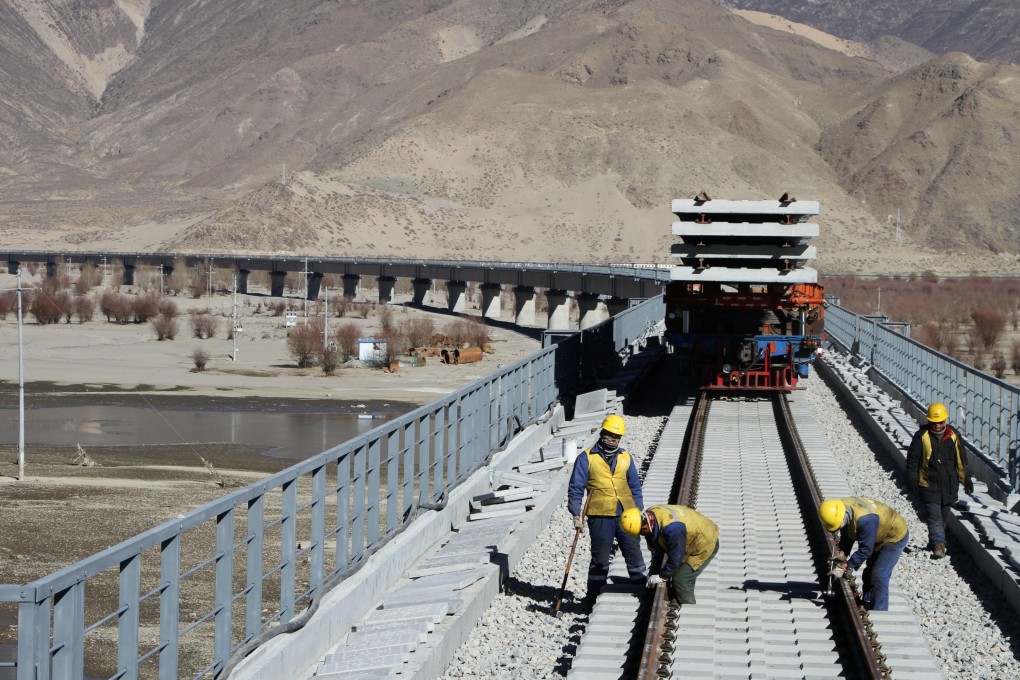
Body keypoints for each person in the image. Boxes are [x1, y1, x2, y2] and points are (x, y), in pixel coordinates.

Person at [567, 414, 647, 602]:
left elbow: (635, 485)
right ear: (602, 433)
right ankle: (593, 598)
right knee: (600, 559)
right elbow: (576, 488)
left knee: (633, 552)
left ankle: (642, 591)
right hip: (600, 515)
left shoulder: (625, 457)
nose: (614, 439)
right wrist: (576, 514)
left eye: (617, 437)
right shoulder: (586, 458)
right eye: (611, 435)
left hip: (627, 514)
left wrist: (638, 509)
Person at [905, 402, 973, 559]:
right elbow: (913, 462)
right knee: (934, 515)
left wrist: (967, 479)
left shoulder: (953, 437)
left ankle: (934, 540)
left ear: (945, 421)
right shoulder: (921, 437)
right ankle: (939, 546)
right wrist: (913, 482)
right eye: (934, 422)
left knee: (944, 516)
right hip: (929, 485)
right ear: (929, 421)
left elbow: (962, 461)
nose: (937, 425)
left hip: (949, 486)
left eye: (940, 422)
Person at [819, 497, 908, 611]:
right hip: (878, 531)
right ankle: (867, 603)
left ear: (843, 517)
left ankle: (880, 611)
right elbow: (848, 534)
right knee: (868, 573)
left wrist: (845, 565)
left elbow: (866, 550)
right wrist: (842, 554)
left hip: (894, 536)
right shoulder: (841, 508)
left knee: (879, 573)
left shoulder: (865, 520)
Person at [620, 504, 719, 604]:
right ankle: (680, 594)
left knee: (681, 578)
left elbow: (677, 557)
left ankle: (688, 607)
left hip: (705, 543)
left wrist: (662, 576)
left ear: (645, 527)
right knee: (678, 571)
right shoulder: (650, 514)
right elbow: (653, 533)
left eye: (640, 533)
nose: (641, 536)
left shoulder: (672, 529)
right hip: (694, 531)